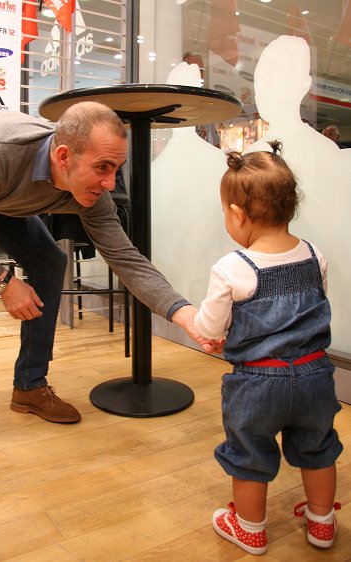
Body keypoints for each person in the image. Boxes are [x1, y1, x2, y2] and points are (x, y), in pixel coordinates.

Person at [0, 102, 203, 466]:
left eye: (116, 169)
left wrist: (182, 311)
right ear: (63, 156)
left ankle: (29, 386)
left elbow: (125, 257)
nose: (110, 184)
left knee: (49, 260)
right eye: (102, 168)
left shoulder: (89, 192)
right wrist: (2, 281)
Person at [193, 141, 342, 555]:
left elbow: (209, 325)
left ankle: (250, 529)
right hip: (316, 375)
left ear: (238, 214)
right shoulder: (315, 256)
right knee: (318, 448)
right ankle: (322, 523)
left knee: (249, 454)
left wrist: (211, 334)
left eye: (226, 212)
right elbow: (316, 306)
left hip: (258, 383)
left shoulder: (232, 268)